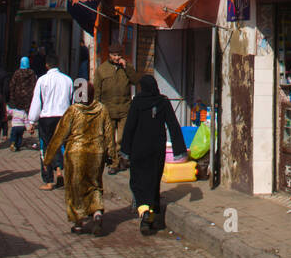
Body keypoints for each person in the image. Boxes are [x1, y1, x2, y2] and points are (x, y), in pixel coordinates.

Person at [121, 74, 187, 235]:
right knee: (153, 181)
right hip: (157, 149)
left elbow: (129, 127)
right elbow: (173, 126)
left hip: (139, 149)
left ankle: (144, 212)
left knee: (138, 182)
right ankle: (152, 212)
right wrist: (180, 150)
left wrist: (125, 151)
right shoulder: (163, 102)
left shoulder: (137, 102)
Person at [44, 82, 112, 235]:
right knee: (94, 184)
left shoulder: (73, 110)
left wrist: (48, 159)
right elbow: (109, 134)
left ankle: (78, 223)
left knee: (75, 188)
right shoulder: (102, 109)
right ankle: (97, 213)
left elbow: (59, 136)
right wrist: (113, 157)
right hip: (96, 152)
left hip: (76, 153)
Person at [93, 42, 141, 174]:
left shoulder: (126, 67)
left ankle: (119, 160)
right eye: (114, 55)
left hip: (124, 108)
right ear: (109, 55)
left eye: (119, 55)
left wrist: (127, 68)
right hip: (108, 109)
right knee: (109, 138)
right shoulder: (102, 70)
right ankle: (113, 161)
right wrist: (96, 109)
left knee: (121, 137)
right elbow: (96, 91)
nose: (117, 58)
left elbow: (136, 81)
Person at [27, 55, 73, 190]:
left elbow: (37, 101)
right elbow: (72, 101)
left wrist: (31, 120)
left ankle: (48, 180)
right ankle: (60, 170)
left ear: (47, 65)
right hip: (63, 117)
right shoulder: (68, 80)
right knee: (60, 145)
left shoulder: (42, 80)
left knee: (46, 147)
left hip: (46, 118)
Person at [7, 57, 37, 152]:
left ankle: (15, 136)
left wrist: (12, 98)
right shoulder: (31, 73)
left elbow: (12, 85)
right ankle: (23, 132)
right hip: (28, 99)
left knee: (17, 115)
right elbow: (34, 85)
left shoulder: (17, 73)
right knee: (25, 117)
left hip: (17, 98)